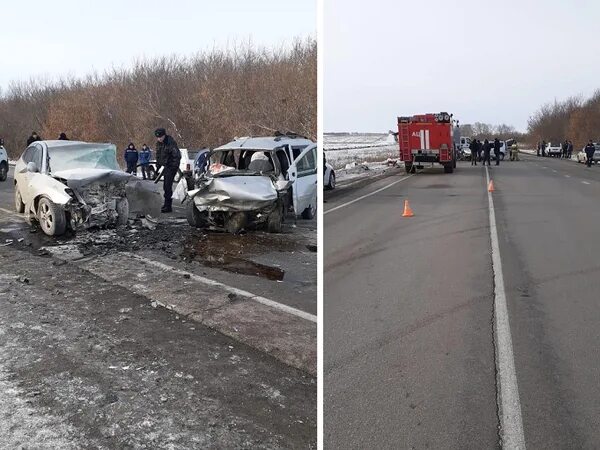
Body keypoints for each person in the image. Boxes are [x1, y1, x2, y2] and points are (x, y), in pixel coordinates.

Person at [154, 128, 181, 213]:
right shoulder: (159, 144)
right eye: (158, 137)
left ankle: (168, 206)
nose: (159, 139)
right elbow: (159, 155)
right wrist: (157, 167)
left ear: (164, 135)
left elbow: (177, 156)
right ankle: (166, 204)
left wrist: (172, 166)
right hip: (165, 166)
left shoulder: (170, 143)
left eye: (161, 137)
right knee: (165, 186)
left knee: (167, 186)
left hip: (171, 166)